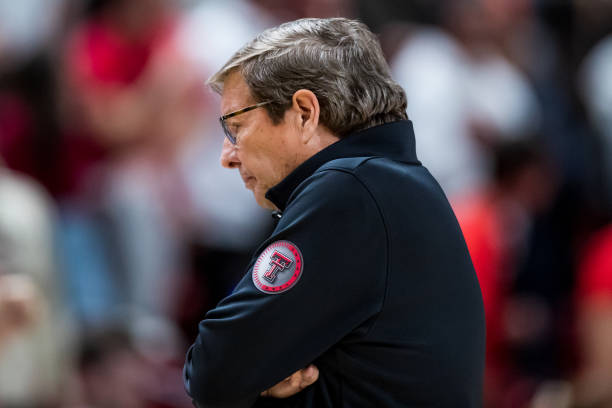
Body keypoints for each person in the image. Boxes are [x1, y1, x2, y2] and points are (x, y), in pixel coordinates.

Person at [183, 17, 485, 408]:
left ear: (305, 112)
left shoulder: (349, 192)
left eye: (236, 127)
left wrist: (257, 380)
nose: (228, 157)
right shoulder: (388, 186)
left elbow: (212, 370)